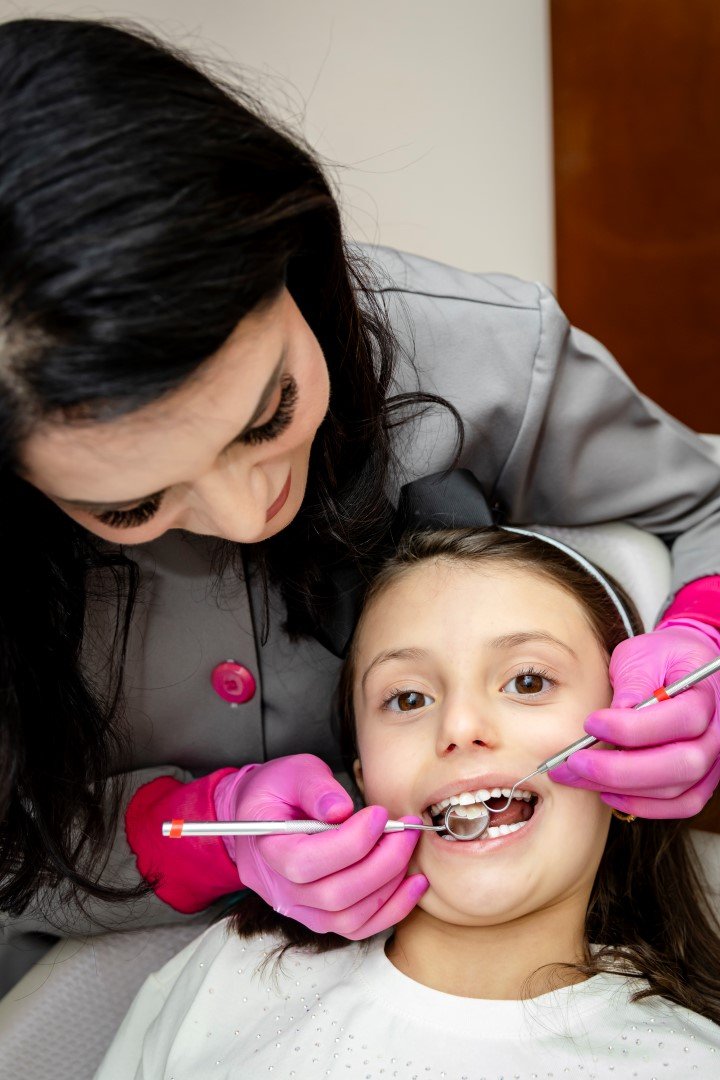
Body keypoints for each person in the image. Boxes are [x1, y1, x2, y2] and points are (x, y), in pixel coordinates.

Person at [2, 15, 720, 963]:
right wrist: (184, 835)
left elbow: (706, 504)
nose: (246, 514)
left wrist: (707, 643)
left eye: (270, 414)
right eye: (132, 506)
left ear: (291, 253)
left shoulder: (481, 352)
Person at [94, 528, 720, 1078]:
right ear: (362, 776)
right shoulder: (230, 975)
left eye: (527, 681)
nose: (460, 726)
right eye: (408, 699)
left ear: (640, 740)